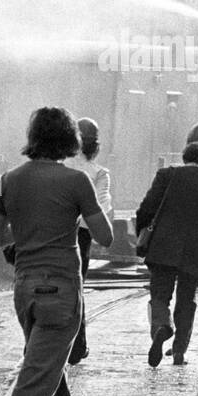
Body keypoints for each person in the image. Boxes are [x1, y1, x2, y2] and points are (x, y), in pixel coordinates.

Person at [0, 107, 113, 396]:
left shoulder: (7, 182)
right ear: (70, 139)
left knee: (46, 375)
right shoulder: (77, 181)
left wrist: (29, 230)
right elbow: (103, 235)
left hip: (25, 292)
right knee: (34, 383)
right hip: (61, 293)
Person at [135, 141, 198, 367]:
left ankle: (161, 326)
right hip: (195, 252)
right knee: (187, 301)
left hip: (163, 247)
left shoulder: (166, 176)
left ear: (185, 156)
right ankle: (179, 351)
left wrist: (144, 234)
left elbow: (146, 208)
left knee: (159, 295)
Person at [68, 118, 112, 365]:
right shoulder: (99, 174)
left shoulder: (57, 166)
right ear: (95, 146)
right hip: (78, 239)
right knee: (76, 289)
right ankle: (77, 346)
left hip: (47, 232)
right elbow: (101, 210)